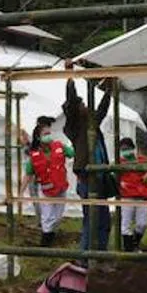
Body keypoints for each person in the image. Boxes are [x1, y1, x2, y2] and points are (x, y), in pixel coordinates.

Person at [63, 61, 115, 253]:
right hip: (87, 178)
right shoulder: (75, 126)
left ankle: (100, 254)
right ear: (76, 111)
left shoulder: (92, 124)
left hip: (99, 179)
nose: (86, 106)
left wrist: (109, 90)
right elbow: (70, 101)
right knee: (91, 220)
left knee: (103, 221)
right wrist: (69, 76)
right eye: (83, 104)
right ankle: (84, 257)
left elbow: (101, 110)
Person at [23, 116, 74, 246]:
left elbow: (72, 153)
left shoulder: (59, 146)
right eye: (45, 134)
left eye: (49, 133)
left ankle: (51, 235)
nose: (49, 136)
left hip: (61, 189)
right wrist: (20, 191)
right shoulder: (34, 155)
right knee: (47, 218)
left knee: (57, 218)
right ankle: (45, 243)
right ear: (39, 137)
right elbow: (28, 174)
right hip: (46, 190)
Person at [116, 137, 147, 251]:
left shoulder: (141, 160)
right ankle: (129, 249)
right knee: (126, 225)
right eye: (123, 149)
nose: (125, 151)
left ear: (133, 148)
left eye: (127, 149)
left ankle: (135, 244)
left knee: (142, 224)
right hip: (126, 197)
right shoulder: (119, 162)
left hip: (142, 196)